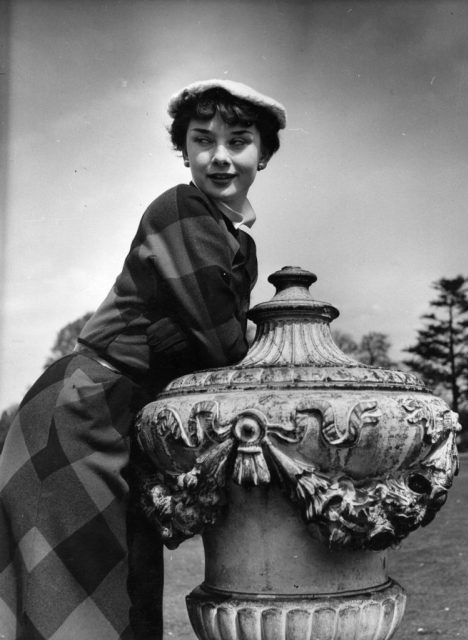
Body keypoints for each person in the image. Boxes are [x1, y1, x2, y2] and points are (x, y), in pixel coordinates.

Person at [0, 79, 286, 640]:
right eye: (203, 140)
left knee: (129, 582)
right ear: (185, 151)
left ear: (264, 153)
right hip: (79, 412)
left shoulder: (235, 239)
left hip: (119, 415)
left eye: (239, 140)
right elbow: (222, 345)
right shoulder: (182, 210)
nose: (221, 156)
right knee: (76, 594)